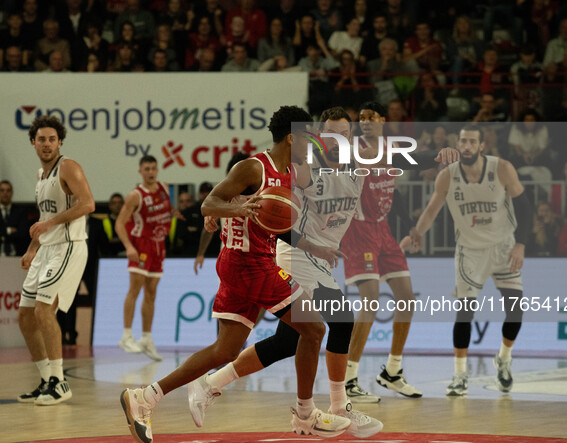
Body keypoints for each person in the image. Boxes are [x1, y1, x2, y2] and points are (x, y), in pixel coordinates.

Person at [120, 106, 351, 442]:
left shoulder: (289, 173)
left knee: (224, 351)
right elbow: (208, 204)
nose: (312, 143)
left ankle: (145, 397)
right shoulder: (252, 167)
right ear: (293, 137)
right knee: (314, 329)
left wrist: (316, 247)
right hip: (249, 265)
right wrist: (236, 208)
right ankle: (305, 415)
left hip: (245, 265)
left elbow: (277, 224)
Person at [186, 107, 385, 438]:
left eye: (345, 134)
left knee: (287, 341)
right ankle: (337, 407)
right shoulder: (304, 165)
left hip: (322, 257)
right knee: (340, 320)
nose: (339, 141)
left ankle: (211, 383)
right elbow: (261, 190)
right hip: (295, 253)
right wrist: (221, 210)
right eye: (331, 134)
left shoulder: (357, 164)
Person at [341, 102, 459, 403]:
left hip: (383, 231)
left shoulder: (388, 150)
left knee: (406, 298)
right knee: (370, 301)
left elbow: (394, 188)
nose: (366, 123)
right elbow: (411, 160)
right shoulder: (356, 148)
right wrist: (434, 155)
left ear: (383, 120)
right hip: (359, 230)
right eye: (362, 119)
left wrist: (410, 227)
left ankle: (392, 371)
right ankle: (348, 378)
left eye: (371, 118)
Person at [409, 125, 532, 396]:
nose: (466, 146)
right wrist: (417, 232)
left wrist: (521, 244)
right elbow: (431, 211)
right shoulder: (447, 176)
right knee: (464, 312)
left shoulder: (501, 168)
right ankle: (460, 375)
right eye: (462, 141)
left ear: (481, 146)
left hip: (503, 247)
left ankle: (504, 358)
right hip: (470, 252)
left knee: (516, 310)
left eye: (471, 141)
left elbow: (525, 206)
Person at [17, 115, 95, 405]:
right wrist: (32, 248)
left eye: (52, 139)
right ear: (33, 143)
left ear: (59, 142)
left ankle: (59, 382)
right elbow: (45, 218)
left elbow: (88, 203)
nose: (47, 144)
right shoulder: (41, 176)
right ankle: (45, 379)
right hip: (47, 248)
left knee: (42, 311)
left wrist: (48, 227)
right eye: (41, 139)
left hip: (68, 247)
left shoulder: (68, 167)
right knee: (25, 316)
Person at [116, 155, 173, 361]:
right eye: (146, 169)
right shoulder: (135, 195)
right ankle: (126, 335)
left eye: (153, 168)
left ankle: (147, 338)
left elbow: (165, 212)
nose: (150, 172)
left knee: (151, 292)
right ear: (140, 171)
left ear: (157, 170)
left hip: (159, 246)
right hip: (140, 246)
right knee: (135, 289)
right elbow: (119, 223)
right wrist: (129, 246)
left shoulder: (165, 189)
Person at [0, 180, 32, 257]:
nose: (5, 193)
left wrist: (2, 233)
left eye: (8, 190)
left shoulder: (20, 212)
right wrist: (9, 230)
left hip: (17, 255)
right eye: (2, 190)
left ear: (12, 192)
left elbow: (23, 234)